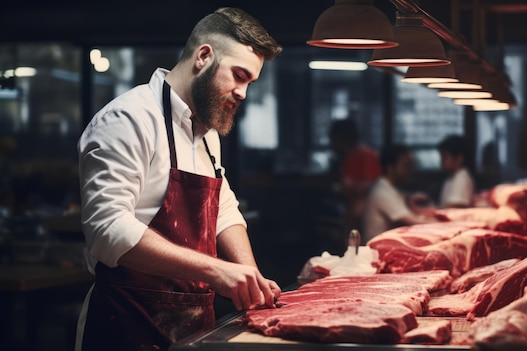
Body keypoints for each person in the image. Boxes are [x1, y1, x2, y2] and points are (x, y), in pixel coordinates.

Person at [75, 8, 283, 350]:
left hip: (194, 330)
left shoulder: (206, 130)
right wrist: (217, 271)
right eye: (239, 75)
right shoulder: (128, 119)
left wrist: (249, 276)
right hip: (125, 325)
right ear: (204, 56)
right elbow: (107, 231)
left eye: (250, 82)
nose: (243, 92)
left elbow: (224, 210)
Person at [361, 144, 436, 242]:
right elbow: (414, 222)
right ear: (390, 168)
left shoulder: (389, 188)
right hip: (376, 252)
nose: (410, 170)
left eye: (411, 165)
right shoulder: (382, 192)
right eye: (406, 166)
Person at [328, 118, 381, 232]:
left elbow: (375, 186)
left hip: (366, 217)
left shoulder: (367, 156)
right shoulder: (346, 158)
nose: (332, 143)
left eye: (334, 138)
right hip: (352, 216)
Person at [438, 134, 475, 208]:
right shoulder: (452, 177)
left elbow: (455, 207)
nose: (441, 161)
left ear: (459, 158)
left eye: (445, 157)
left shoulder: (462, 178)